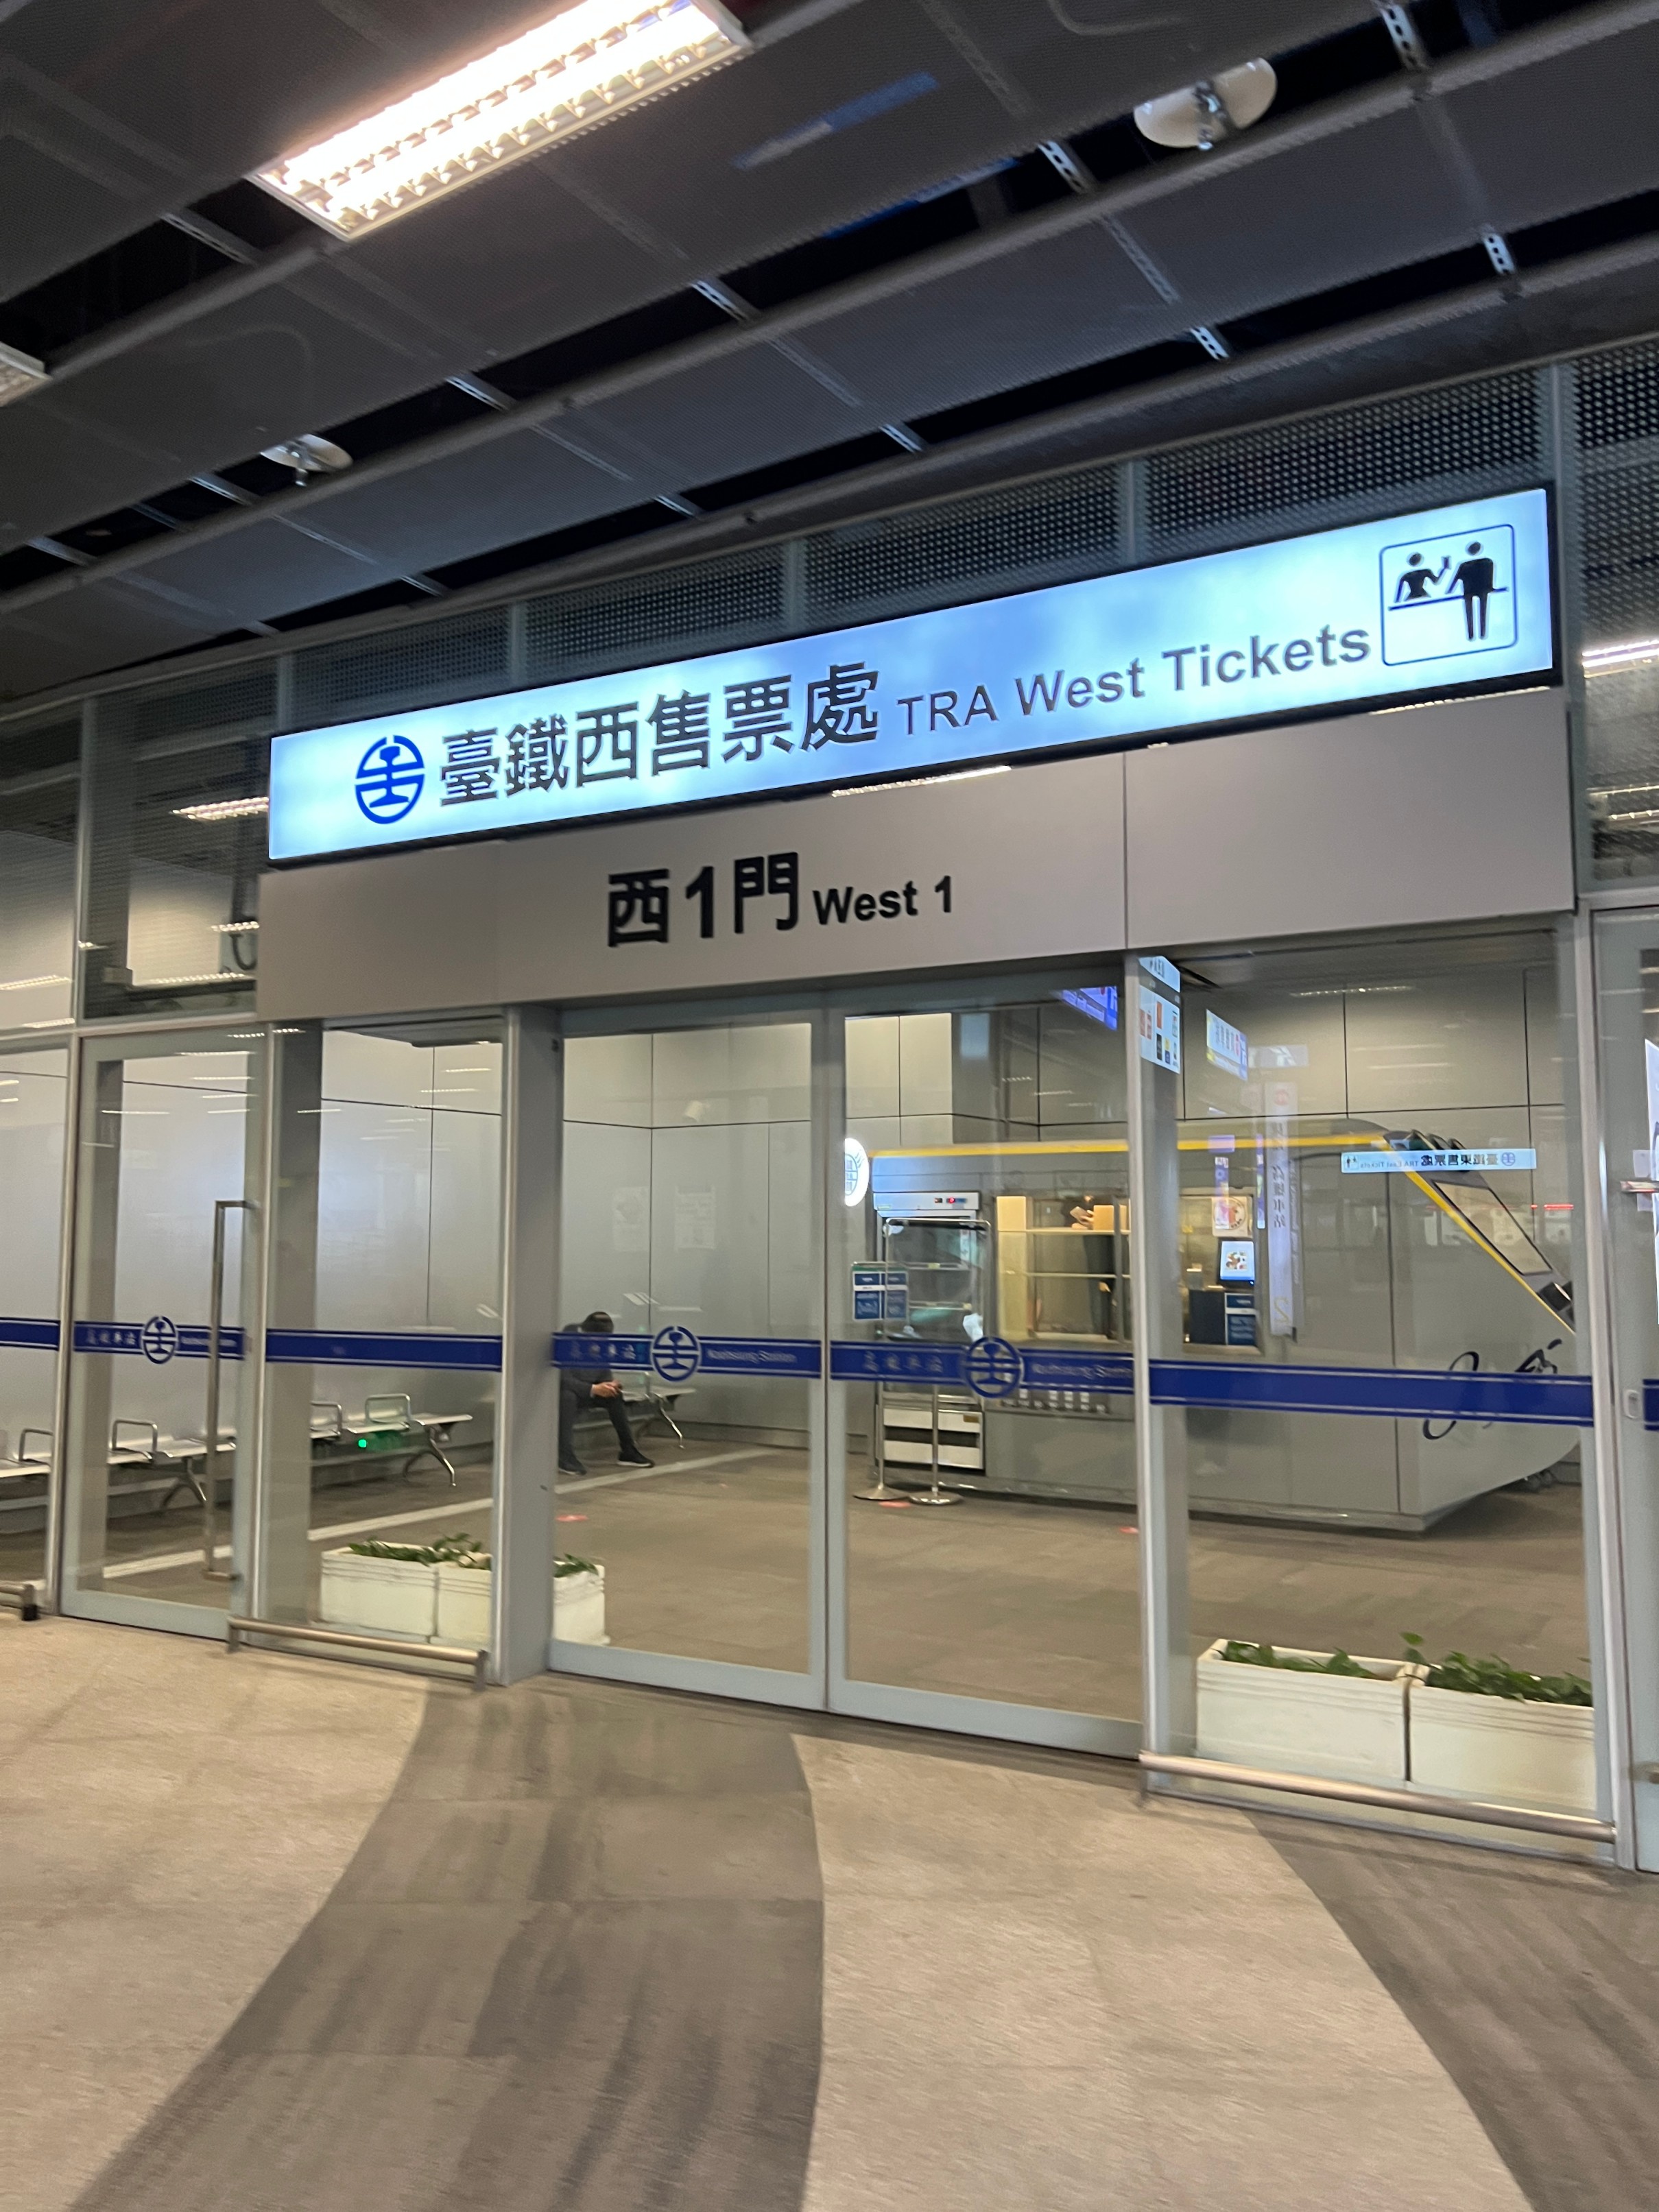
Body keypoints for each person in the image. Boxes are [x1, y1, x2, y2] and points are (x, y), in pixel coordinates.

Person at [558, 1310, 654, 1476]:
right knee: (568, 1397)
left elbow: (604, 1375)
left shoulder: (601, 1347)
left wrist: (610, 1385)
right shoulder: (570, 1342)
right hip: (566, 1393)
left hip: (588, 1392)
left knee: (615, 1396)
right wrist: (594, 1389)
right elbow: (563, 1380)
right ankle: (564, 1455)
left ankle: (628, 1450)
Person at [1446, 540, 1496, 640]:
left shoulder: (1485, 562)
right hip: (1473, 591)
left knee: (1480, 610)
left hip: (1475, 590)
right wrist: (1450, 590)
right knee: (1474, 611)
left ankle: (1477, 634)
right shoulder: (1486, 562)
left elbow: (1456, 580)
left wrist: (1450, 590)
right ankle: (1474, 634)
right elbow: (1456, 579)